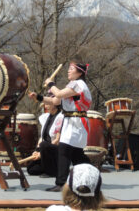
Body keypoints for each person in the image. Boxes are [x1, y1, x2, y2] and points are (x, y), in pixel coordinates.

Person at [36, 61, 92, 192]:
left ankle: (61, 183)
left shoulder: (78, 84)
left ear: (79, 72)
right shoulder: (73, 85)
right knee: (77, 155)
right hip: (71, 121)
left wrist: (51, 83)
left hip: (76, 121)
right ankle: (89, 176)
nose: (68, 71)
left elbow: (59, 94)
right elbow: (56, 100)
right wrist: (38, 97)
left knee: (64, 150)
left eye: (71, 69)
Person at [26, 91, 63, 177]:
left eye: (47, 103)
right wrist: (37, 150)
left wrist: (42, 152)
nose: (45, 105)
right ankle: (49, 168)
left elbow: (58, 140)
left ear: (55, 104)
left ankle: (52, 171)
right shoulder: (45, 117)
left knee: (44, 145)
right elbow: (42, 138)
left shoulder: (61, 117)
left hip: (56, 150)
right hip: (44, 149)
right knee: (31, 169)